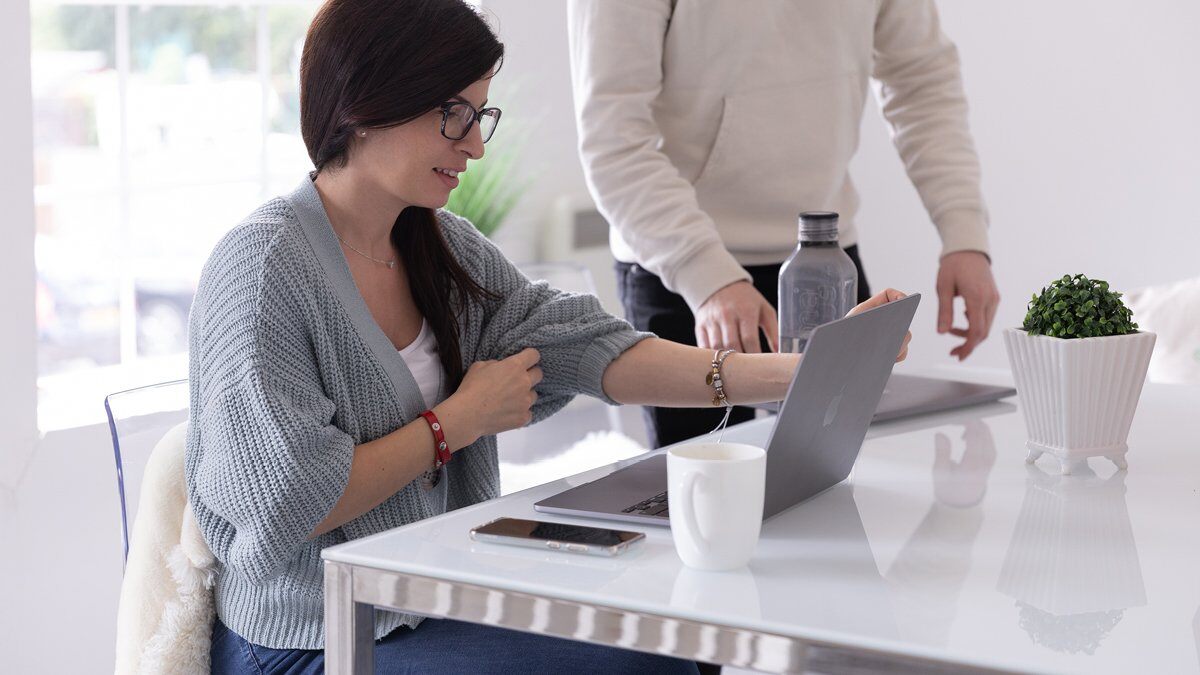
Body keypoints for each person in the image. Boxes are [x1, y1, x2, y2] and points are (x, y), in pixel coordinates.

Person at [184, 1, 910, 673]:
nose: (474, 144)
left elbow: (588, 346)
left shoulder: (445, 249)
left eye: (479, 115)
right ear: (365, 105)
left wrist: (801, 368)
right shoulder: (262, 268)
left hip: (426, 600)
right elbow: (285, 500)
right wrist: (456, 422)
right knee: (638, 662)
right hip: (308, 638)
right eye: (451, 115)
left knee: (663, 645)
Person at [568, 0, 1000, 449]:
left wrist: (964, 233)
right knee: (703, 501)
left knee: (839, 488)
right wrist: (707, 276)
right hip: (682, 266)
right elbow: (613, 140)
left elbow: (922, 81)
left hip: (828, 259)